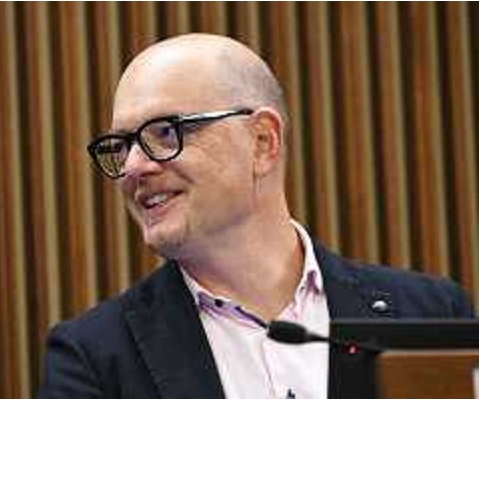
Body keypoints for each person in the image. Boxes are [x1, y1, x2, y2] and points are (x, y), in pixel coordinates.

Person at [38, 33, 475, 399]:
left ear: (263, 142)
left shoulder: (433, 313)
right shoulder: (93, 360)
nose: (133, 167)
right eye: (122, 145)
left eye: (166, 133)